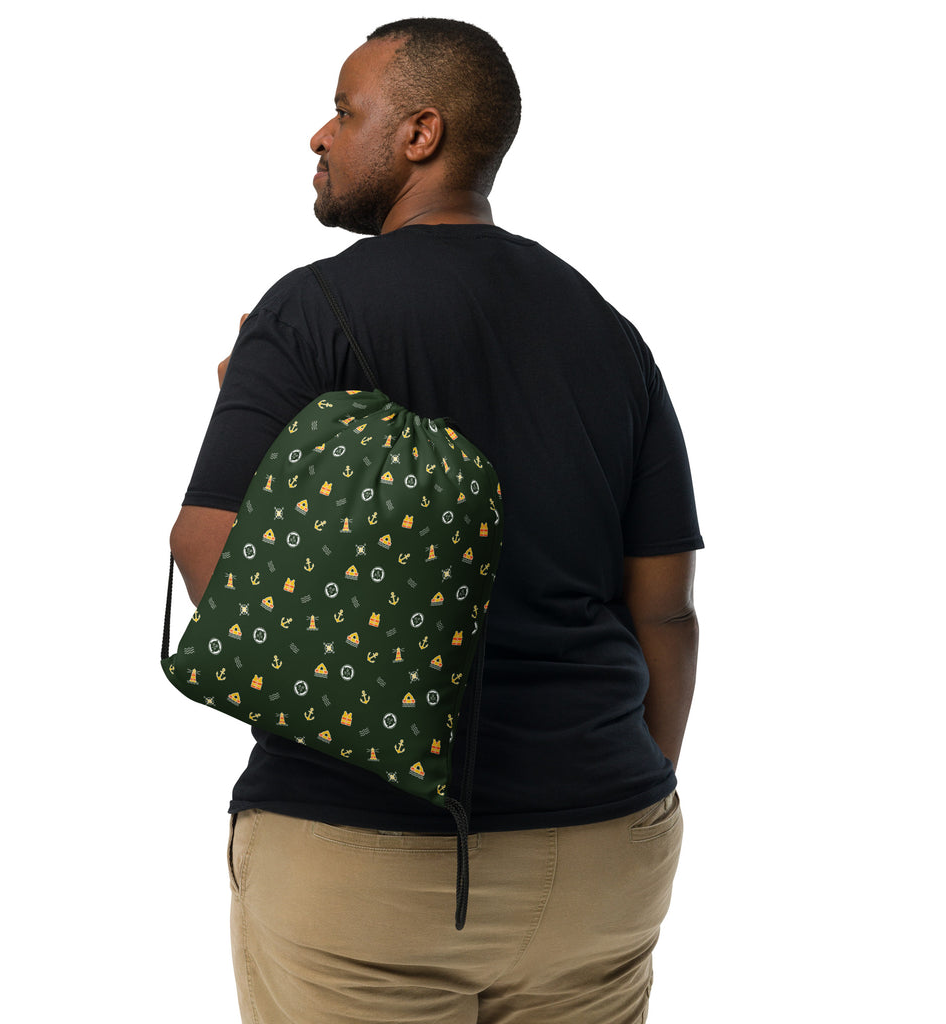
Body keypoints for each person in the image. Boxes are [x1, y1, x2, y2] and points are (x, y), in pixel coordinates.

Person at [169, 17, 702, 1024]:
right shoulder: (607, 331)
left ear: (420, 134)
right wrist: (612, 794)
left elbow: (208, 551)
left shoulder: (312, 312)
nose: (318, 137)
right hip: (601, 857)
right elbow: (665, 613)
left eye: (342, 110)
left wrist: (247, 409)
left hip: (363, 866)